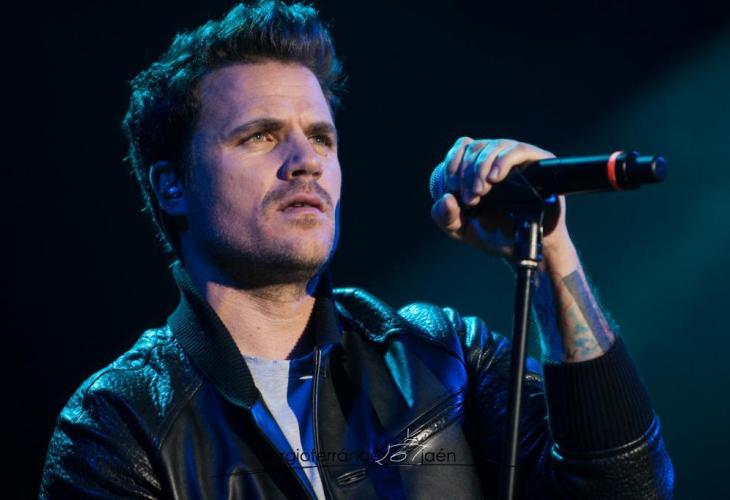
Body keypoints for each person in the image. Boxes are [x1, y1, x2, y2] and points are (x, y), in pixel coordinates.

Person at [39, 1, 674, 498]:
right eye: (261, 136)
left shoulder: (444, 355)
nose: (306, 160)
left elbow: (629, 488)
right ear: (172, 185)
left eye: (321, 137)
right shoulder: (120, 426)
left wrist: (551, 246)